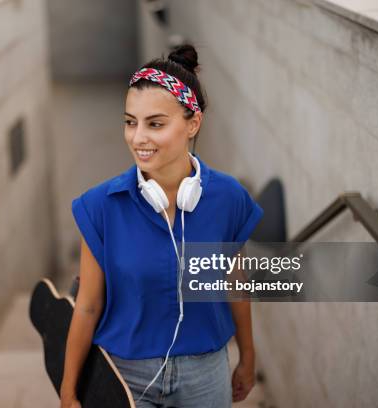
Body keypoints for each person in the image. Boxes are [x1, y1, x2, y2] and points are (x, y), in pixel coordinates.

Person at [60, 44, 264, 408]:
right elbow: (88, 305)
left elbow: (236, 285)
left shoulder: (229, 199)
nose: (138, 137)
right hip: (124, 374)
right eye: (130, 121)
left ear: (193, 123)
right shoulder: (100, 207)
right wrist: (69, 388)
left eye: (155, 123)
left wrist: (247, 357)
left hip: (206, 373)